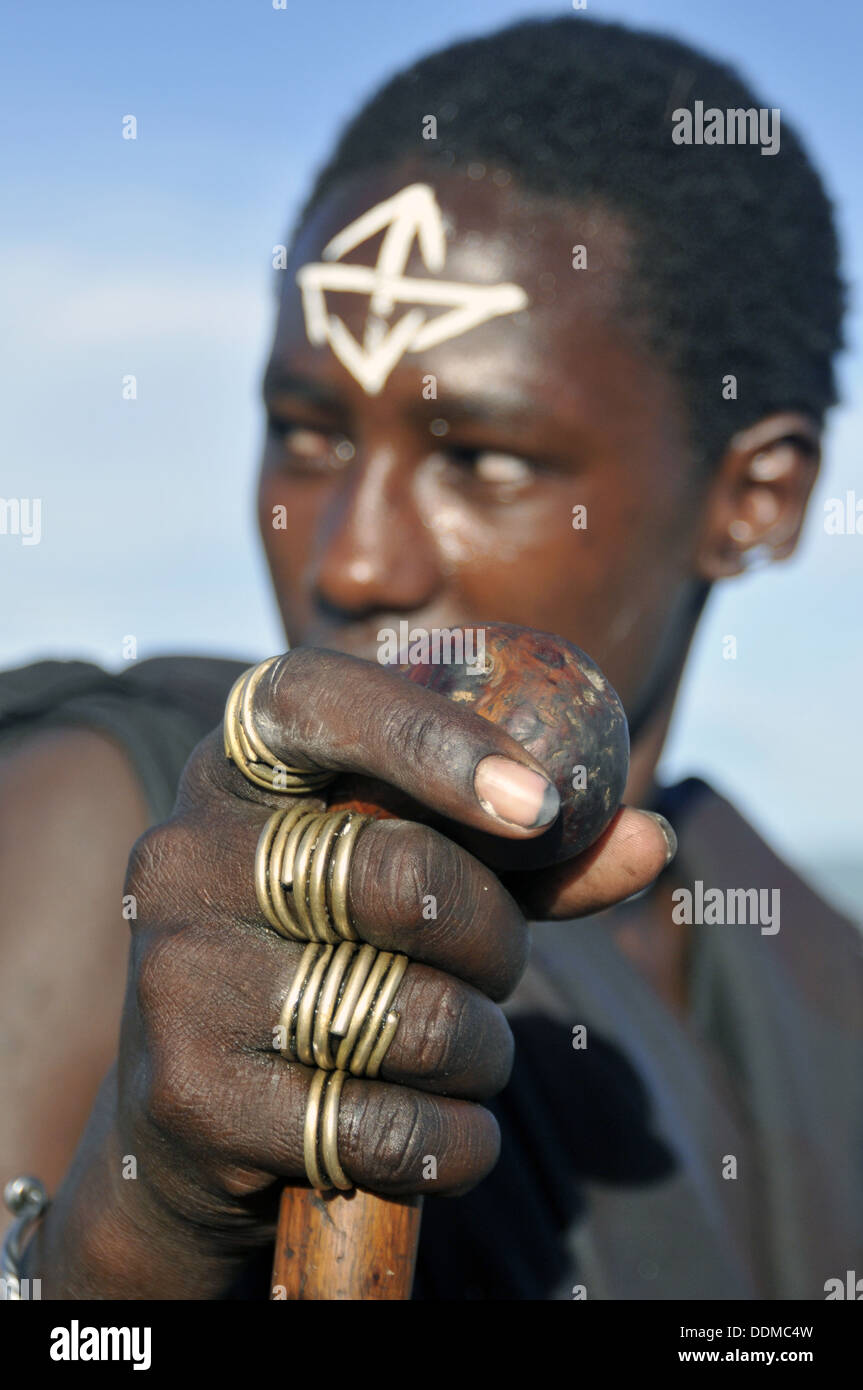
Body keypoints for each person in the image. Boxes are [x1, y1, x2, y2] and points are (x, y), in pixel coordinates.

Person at [1, 15, 859, 1301]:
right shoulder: (116, 820)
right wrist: (140, 1232)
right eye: (306, 432)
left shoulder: (813, 970)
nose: (352, 560)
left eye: (482, 459)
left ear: (755, 499)